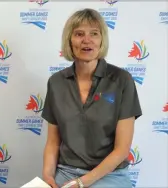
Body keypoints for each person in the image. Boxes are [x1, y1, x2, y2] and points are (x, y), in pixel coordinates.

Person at [41, 8, 142, 188]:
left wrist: (82, 183)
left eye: (94, 34)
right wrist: (48, 176)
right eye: (79, 34)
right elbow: (53, 142)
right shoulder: (56, 82)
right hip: (66, 172)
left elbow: (122, 150)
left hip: (110, 175)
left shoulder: (121, 80)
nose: (86, 40)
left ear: (101, 40)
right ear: (69, 41)